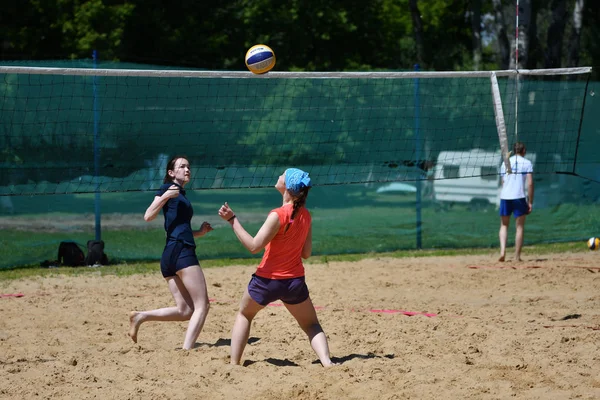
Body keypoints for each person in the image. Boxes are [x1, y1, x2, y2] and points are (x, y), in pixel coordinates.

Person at [218, 168, 335, 367]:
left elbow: (254, 246)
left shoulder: (277, 214)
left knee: (245, 314)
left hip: (267, 281)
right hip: (294, 282)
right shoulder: (306, 215)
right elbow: (306, 254)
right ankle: (327, 362)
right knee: (312, 325)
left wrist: (232, 220)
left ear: (288, 187)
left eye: (282, 174)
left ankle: (234, 364)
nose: (278, 176)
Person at [128, 156, 213, 350]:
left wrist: (200, 232)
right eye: (182, 166)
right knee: (203, 305)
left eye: (188, 166)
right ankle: (187, 350)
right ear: (171, 173)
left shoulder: (180, 194)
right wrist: (167, 195)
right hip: (181, 251)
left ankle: (140, 316)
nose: (187, 169)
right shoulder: (169, 190)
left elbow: (177, 228)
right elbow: (148, 216)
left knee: (185, 310)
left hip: (171, 254)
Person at [498, 142, 534, 262]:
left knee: (504, 225)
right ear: (523, 150)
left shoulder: (506, 162)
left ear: (514, 150)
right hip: (519, 196)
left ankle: (502, 251)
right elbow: (529, 183)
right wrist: (530, 202)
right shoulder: (527, 163)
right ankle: (517, 257)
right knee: (519, 227)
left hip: (505, 196)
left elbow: (503, 182)